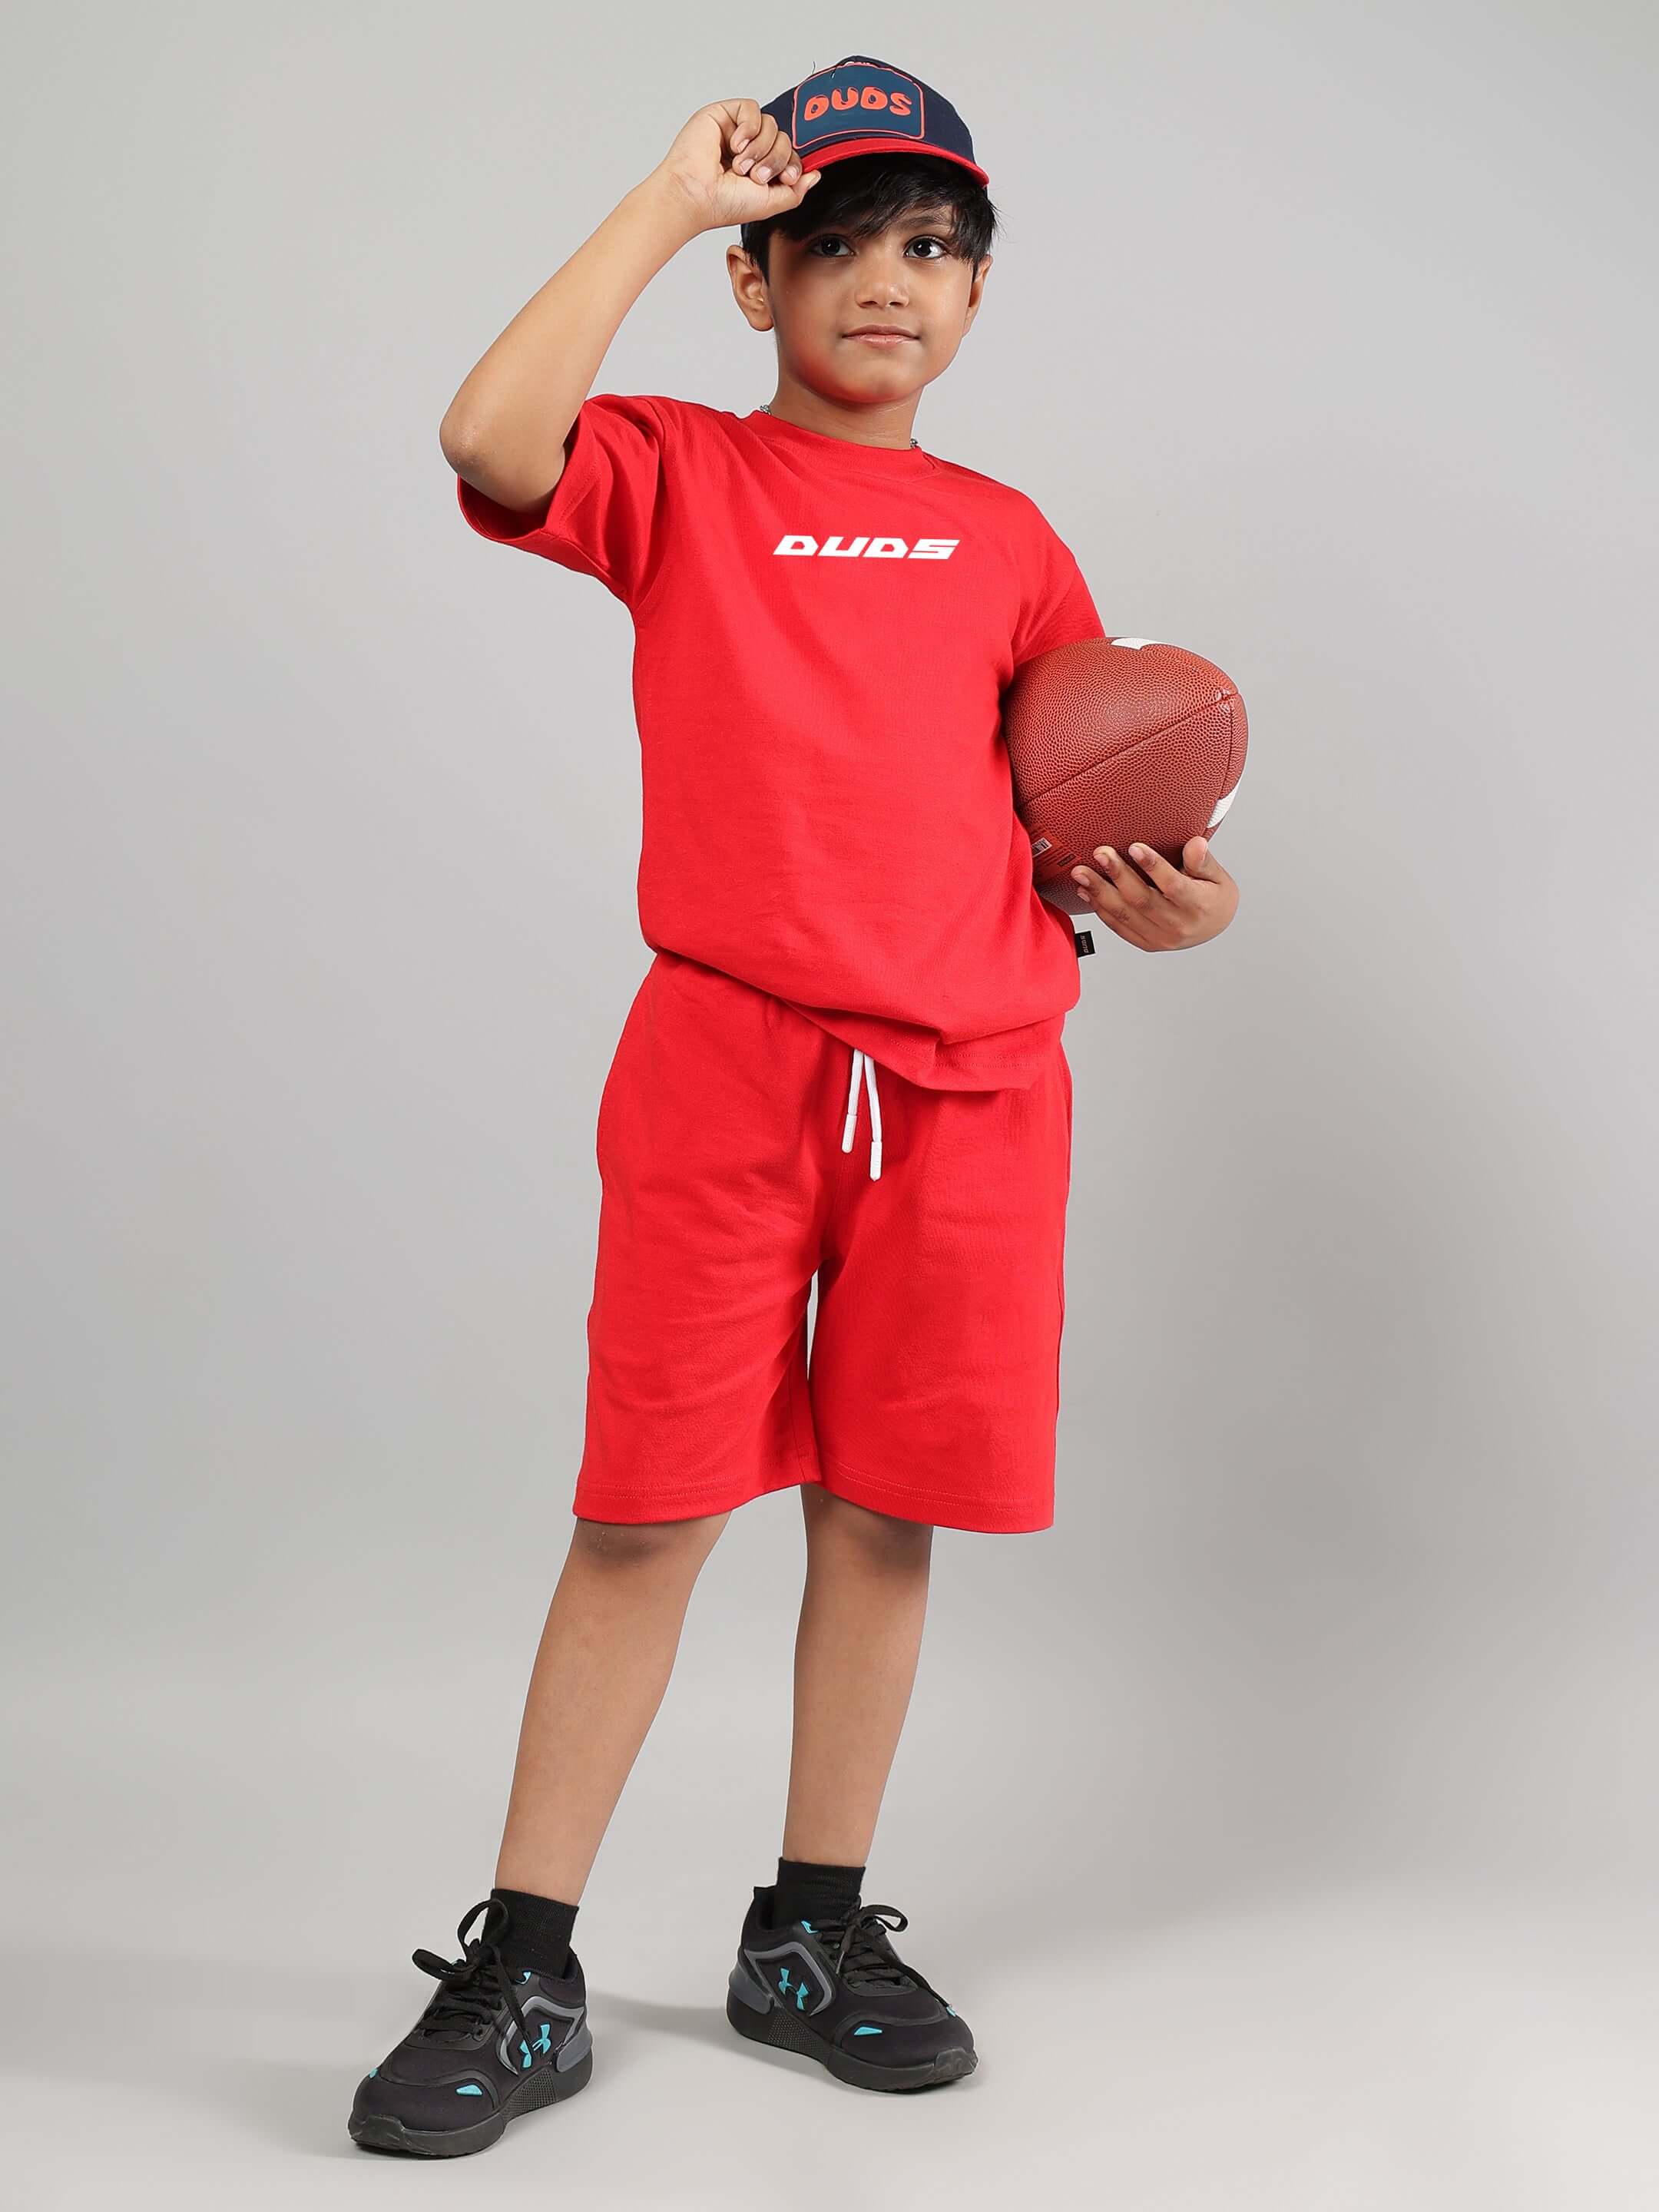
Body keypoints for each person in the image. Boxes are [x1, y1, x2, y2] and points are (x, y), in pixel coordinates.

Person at [349, 53, 1240, 2156]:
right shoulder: (674, 472)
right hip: (732, 1069)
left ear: (978, 296)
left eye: (932, 248)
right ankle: (525, 1959)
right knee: (648, 1504)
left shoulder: (1015, 544)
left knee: (883, 1504)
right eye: (834, 243)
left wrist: (1175, 901)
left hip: (976, 1084)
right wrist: (662, 203)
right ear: (757, 288)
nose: (888, 281)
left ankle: (810, 1933)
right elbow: (488, 435)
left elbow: (1074, 811)